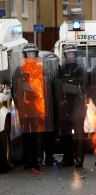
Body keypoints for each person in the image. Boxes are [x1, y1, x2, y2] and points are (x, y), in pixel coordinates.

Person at [13, 43, 45, 171]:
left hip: (38, 107)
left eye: (33, 53)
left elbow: (46, 86)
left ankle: (38, 159)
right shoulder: (19, 70)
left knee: (38, 134)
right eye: (28, 53)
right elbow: (16, 89)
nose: (30, 56)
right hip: (25, 108)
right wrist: (19, 104)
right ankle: (28, 159)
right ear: (24, 55)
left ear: (36, 54)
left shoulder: (41, 68)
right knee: (27, 135)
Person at [56, 44, 87, 168]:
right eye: (68, 54)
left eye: (72, 54)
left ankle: (79, 158)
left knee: (79, 133)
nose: (70, 56)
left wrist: (73, 87)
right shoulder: (61, 69)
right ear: (65, 55)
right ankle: (67, 158)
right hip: (65, 104)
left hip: (78, 104)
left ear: (75, 55)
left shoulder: (80, 69)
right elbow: (57, 87)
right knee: (65, 133)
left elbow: (84, 87)